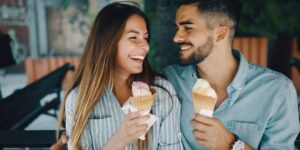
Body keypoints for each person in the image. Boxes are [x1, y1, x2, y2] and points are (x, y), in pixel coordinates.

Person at [163, 0, 300, 149]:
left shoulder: (277, 91)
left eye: (187, 28)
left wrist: (232, 144)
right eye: (177, 28)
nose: (176, 37)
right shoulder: (169, 81)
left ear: (220, 34)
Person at [57, 2, 182, 150]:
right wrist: (121, 138)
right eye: (133, 37)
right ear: (108, 42)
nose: (146, 46)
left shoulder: (162, 93)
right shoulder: (79, 100)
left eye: (146, 38)